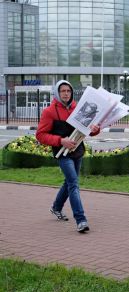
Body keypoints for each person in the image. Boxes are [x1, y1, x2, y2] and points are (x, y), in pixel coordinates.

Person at [36, 80, 100, 233]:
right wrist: (60, 141)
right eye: (63, 91)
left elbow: (87, 130)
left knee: (69, 182)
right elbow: (40, 135)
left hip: (77, 151)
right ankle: (81, 220)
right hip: (61, 153)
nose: (66, 93)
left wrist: (95, 129)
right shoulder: (49, 111)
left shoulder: (78, 108)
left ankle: (56, 207)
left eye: (68, 91)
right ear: (57, 93)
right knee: (73, 183)